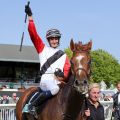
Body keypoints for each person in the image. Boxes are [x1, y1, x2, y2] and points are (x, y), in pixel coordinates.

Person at [23, 4, 71, 113]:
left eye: (56, 39)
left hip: (58, 81)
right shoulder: (42, 49)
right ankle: (31, 105)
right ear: (48, 40)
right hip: (46, 80)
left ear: (58, 40)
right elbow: (33, 35)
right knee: (55, 89)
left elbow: (67, 72)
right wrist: (30, 17)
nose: (54, 41)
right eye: (52, 39)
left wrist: (63, 76)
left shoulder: (64, 55)